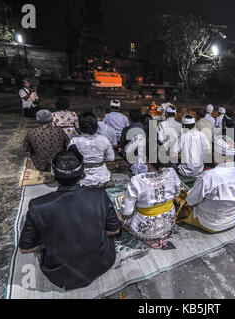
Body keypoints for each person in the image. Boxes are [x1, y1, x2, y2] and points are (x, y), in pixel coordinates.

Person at [18, 150, 121, 290]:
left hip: (59, 274)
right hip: (100, 263)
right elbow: (114, 230)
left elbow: (26, 248)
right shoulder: (99, 195)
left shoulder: (37, 206)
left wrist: (50, 242)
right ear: (83, 174)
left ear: (53, 176)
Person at [177, 135, 235, 233]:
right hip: (233, 220)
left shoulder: (209, 176)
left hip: (209, 223)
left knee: (178, 197)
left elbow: (190, 201)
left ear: (218, 154)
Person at [121, 141, 181, 249]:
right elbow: (176, 194)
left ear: (146, 158)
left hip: (146, 229)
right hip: (169, 222)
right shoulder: (172, 172)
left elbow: (126, 211)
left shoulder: (137, 180)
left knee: (121, 215)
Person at [68, 112, 115, 187]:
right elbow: (111, 158)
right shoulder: (104, 139)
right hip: (102, 177)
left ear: (80, 126)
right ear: (96, 125)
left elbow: (70, 160)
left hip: (82, 178)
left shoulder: (74, 141)